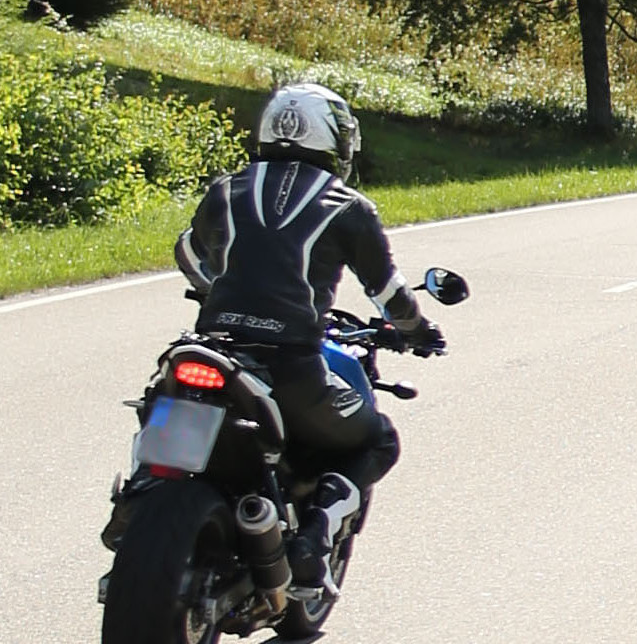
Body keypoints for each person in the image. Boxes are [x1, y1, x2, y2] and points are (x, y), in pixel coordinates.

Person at [175, 82, 443, 587]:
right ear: (331, 139)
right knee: (379, 439)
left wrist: (219, 291)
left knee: (162, 399)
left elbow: (189, 253)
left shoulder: (226, 189)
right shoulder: (347, 205)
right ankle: (316, 534)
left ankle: (138, 495)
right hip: (291, 369)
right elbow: (388, 292)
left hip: (212, 349)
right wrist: (419, 331)